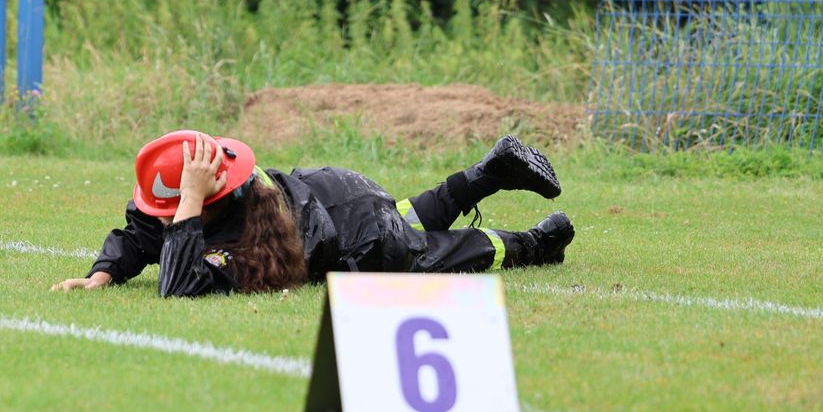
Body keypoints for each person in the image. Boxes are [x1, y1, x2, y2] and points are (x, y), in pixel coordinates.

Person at [51, 130, 574, 297]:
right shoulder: (228, 189)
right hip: (345, 193)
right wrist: (104, 272)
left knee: (437, 254)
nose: (166, 221)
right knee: (408, 219)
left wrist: (186, 204)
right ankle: (488, 172)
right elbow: (144, 230)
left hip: (366, 238)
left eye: (181, 209)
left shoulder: (241, 238)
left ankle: (543, 239)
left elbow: (180, 284)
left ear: (205, 199)